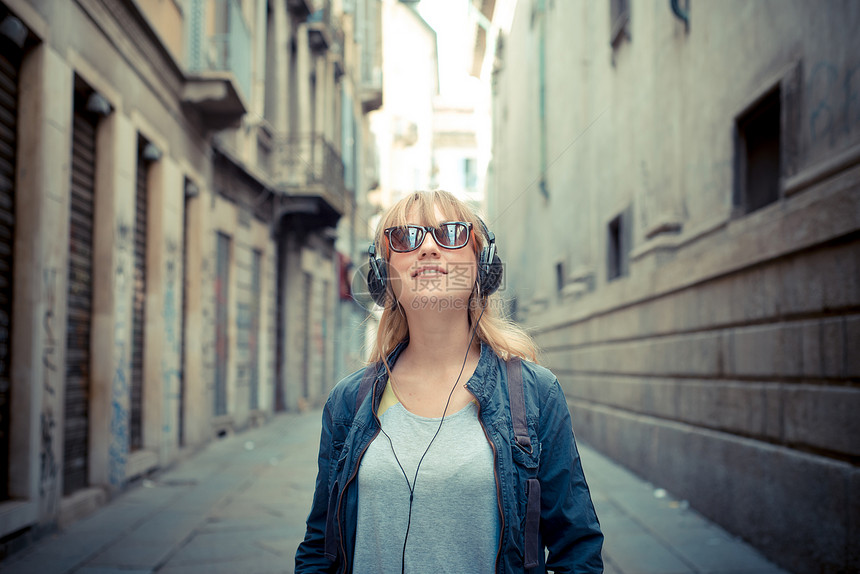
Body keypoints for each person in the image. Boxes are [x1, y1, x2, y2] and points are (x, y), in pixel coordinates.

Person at [295, 190, 603, 573]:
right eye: (406, 237)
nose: (427, 248)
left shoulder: (536, 393)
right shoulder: (347, 401)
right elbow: (318, 548)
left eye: (451, 233)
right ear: (383, 275)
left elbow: (578, 550)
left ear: (482, 266)